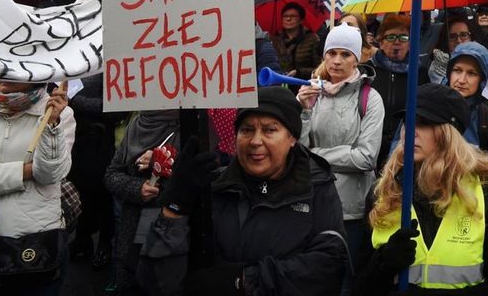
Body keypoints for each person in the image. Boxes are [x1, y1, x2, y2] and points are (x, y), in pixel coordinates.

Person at [136, 88, 347, 295]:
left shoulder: (318, 187)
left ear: (292, 138)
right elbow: (156, 283)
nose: (255, 141)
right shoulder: (211, 185)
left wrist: (245, 281)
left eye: (269, 130)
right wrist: (173, 208)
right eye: (246, 130)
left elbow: (327, 269)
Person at [359, 84, 488, 295]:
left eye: (424, 123)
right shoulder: (381, 193)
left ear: (449, 134)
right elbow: (360, 287)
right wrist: (383, 264)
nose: (411, 131)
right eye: (407, 121)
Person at [295, 24, 385, 295]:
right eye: (331, 52)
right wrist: (303, 113)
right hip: (312, 203)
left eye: (345, 54)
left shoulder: (371, 98)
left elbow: (365, 157)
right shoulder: (311, 94)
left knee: (345, 280)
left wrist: (316, 157)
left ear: (357, 58)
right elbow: (296, 151)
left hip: (351, 211)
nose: (336, 61)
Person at [0, 81, 73, 296]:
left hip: (35, 239)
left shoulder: (60, 113)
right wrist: (23, 171)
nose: (2, 74)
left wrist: (51, 123)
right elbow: (35, 171)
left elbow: (49, 174)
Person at [103, 108, 181, 294]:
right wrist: (138, 188)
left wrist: (168, 164)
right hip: (134, 230)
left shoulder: (192, 127)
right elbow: (111, 175)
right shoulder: (135, 126)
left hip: (176, 233)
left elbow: (202, 179)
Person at [67, 73, 119, 270]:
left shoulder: (109, 66)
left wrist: (74, 100)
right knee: (79, 191)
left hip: (100, 140)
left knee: (102, 193)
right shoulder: (71, 64)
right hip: (74, 139)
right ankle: (83, 238)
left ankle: (105, 243)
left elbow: (115, 108)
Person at [445, 41, 488, 169]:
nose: (461, 80)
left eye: (471, 73)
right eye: (457, 70)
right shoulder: (429, 108)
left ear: (482, 80)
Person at [368, 15, 424, 169]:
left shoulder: (420, 73)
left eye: (404, 37)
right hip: (371, 147)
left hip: (405, 149)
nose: (397, 41)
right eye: (391, 36)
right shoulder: (368, 71)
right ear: (380, 42)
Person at [272, 2, 322, 79]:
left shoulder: (312, 39)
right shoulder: (276, 40)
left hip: (304, 84)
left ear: (301, 20)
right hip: (280, 84)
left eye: (293, 16)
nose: (288, 19)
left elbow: (320, 68)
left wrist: (298, 72)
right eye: (285, 16)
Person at [428, 13, 478, 85]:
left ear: (471, 37)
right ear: (445, 40)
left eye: (463, 35)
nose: (459, 41)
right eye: (452, 36)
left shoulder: (484, 60)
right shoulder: (435, 66)